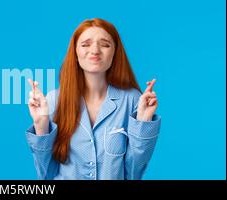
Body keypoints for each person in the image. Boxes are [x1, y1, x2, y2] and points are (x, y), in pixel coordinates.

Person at [26, 18, 161, 180]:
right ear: (75, 53)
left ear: (115, 53)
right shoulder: (54, 100)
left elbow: (134, 173)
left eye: (104, 44)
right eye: (85, 44)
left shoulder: (131, 100)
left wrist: (144, 122)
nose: (95, 50)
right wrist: (41, 126)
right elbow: (46, 175)